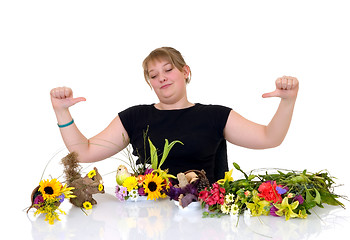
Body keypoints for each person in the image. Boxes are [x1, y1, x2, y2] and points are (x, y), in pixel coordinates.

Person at [50, 47, 299, 183]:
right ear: (150, 82)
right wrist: (62, 111)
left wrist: (288, 101)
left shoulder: (215, 116)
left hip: (204, 217)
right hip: (148, 219)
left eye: (168, 69)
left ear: (185, 72)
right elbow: (83, 152)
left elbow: (270, 138)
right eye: (154, 75)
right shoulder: (134, 118)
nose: (162, 78)